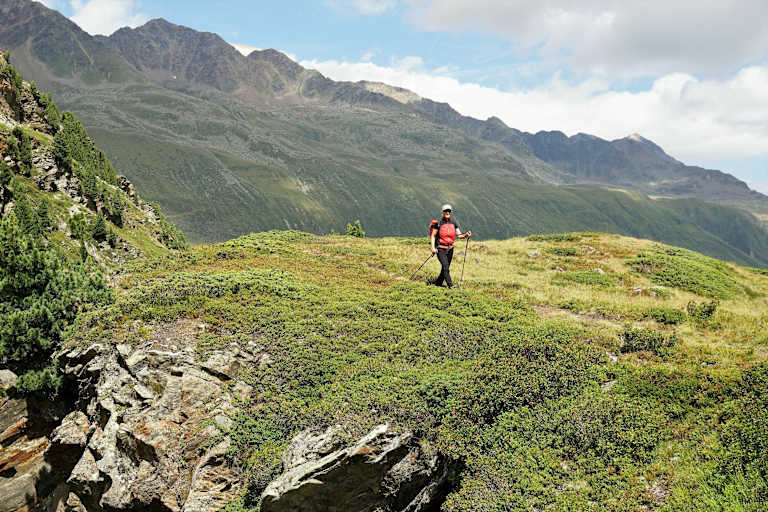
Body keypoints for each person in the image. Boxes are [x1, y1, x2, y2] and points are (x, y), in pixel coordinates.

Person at [430, 204, 471, 288]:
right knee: (445, 266)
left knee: (445, 268)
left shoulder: (454, 222)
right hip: (440, 248)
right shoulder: (438, 223)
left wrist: (466, 235)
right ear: (442, 212)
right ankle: (451, 285)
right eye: (446, 211)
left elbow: (459, 235)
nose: (447, 212)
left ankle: (438, 284)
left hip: (450, 249)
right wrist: (433, 248)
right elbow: (433, 236)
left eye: (449, 211)